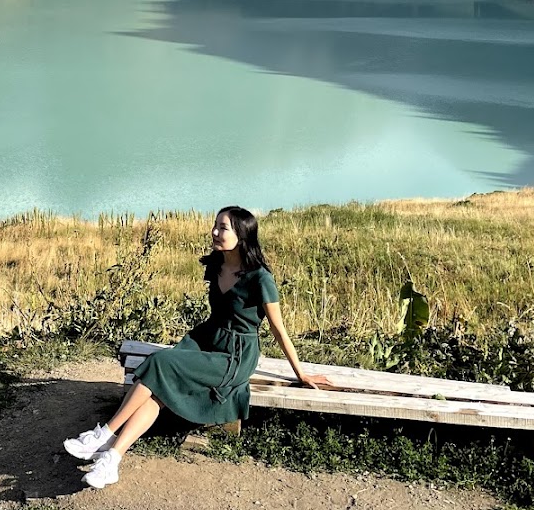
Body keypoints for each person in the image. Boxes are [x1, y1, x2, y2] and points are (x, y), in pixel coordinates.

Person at [64, 205, 334, 489]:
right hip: (206, 338)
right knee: (158, 389)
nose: (215, 232)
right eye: (215, 225)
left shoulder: (260, 279)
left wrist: (301, 374)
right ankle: (112, 458)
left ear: (242, 235)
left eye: (223, 228)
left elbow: (279, 330)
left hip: (234, 356)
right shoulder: (216, 264)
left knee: (160, 364)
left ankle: (105, 433)